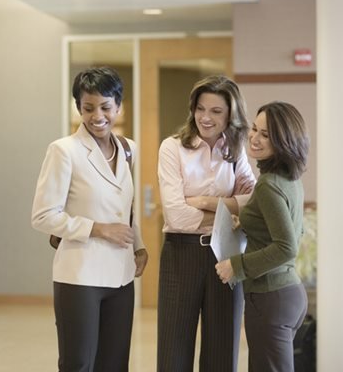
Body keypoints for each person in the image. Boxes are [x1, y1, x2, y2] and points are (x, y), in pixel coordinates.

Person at [31, 66, 148, 372]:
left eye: (106, 107)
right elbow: (43, 216)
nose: (98, 116)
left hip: (121, 276)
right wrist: (97, 229)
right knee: (79, 364)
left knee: (114, 364)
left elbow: (127, 206)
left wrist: (139, 245)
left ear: (119, 106)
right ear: (79, 108)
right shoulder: (64, 151)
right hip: (79, 277)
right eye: (88, 108)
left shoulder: (128, 149)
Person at [157, 75, 256, 372]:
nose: (206, 117)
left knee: (222, 352)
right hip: (181, 254)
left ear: (230, 115)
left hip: (225, 253)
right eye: (201, 109)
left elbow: (252, 200)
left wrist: (202, 202)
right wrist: (229, 210)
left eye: (216, 111)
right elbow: (175, 214)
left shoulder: (236, 150)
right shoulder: (172, 148)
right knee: (173, 351)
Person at [215, 101, 310, 372]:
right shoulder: (289, 179)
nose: (255, 138)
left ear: (283, 139)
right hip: (289, 295)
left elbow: (286, 246)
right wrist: (247, 225)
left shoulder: (268, 185)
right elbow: (294, 230)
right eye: (254, 129)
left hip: (270, 298)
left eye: (266, 134)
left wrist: (237, 266)